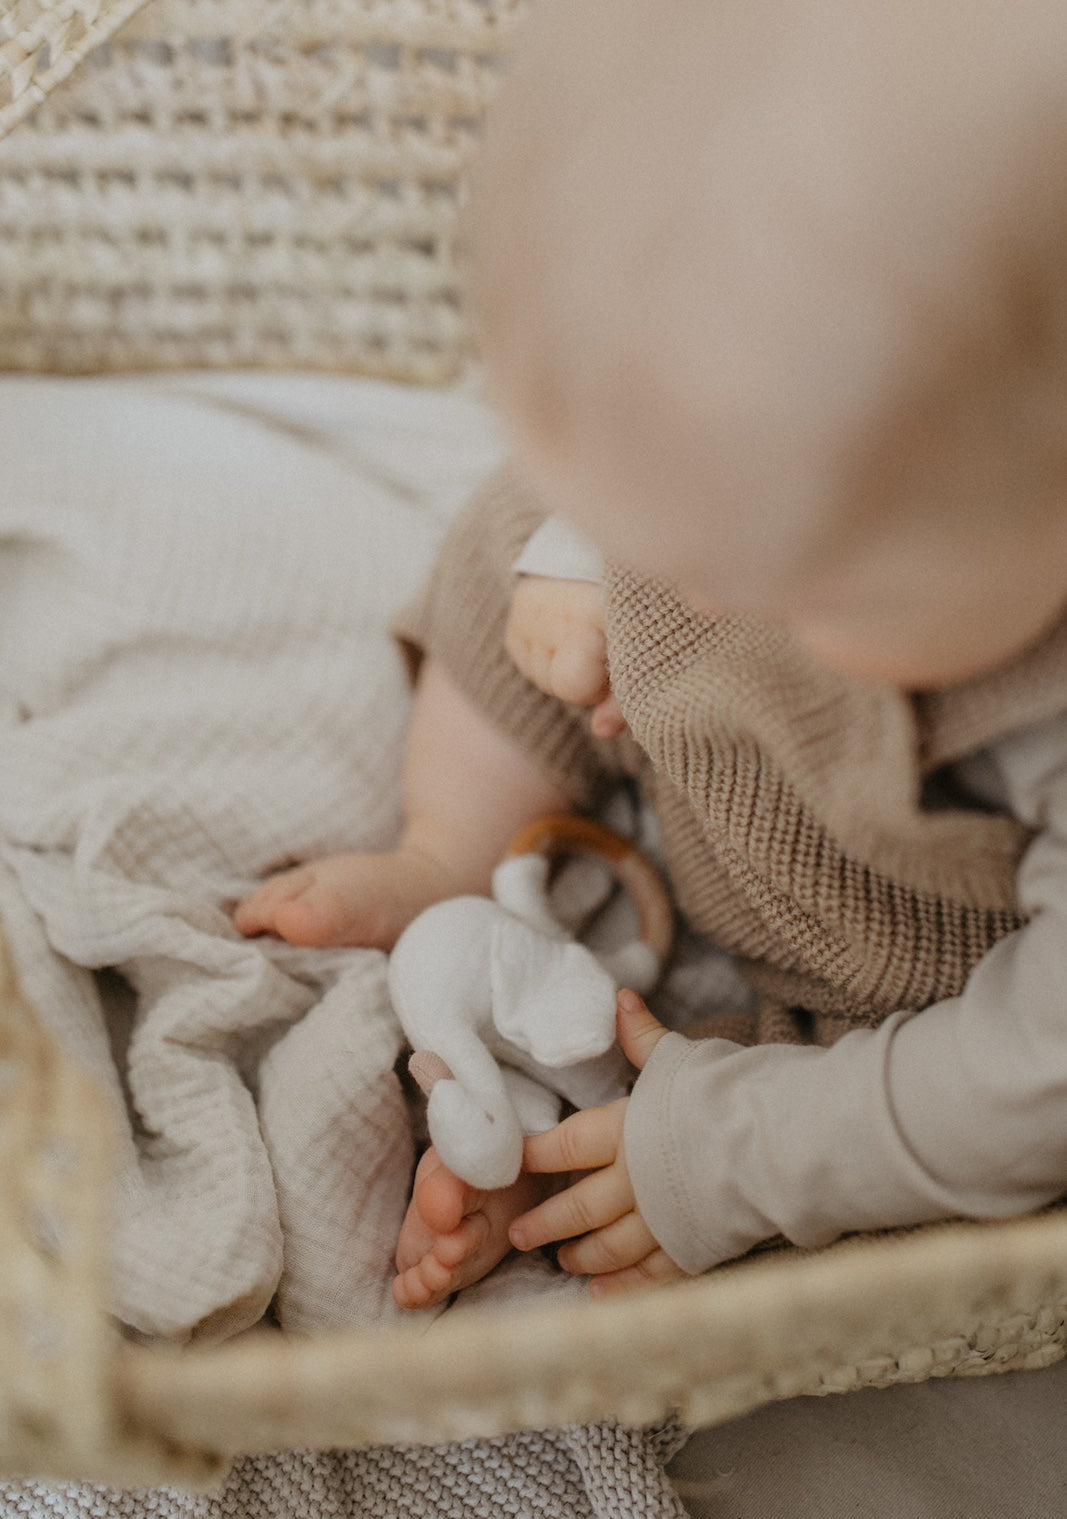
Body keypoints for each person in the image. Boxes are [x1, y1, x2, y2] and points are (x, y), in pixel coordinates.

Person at [236, 0, 1067, 1310]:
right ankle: (455, 846)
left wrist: (732, 1153)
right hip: (715, 764)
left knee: (898, 1145)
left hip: (893, 993)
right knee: (519, 535)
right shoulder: (815, 449)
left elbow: (1040, 1076)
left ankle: (612, 1142)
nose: (690, 595)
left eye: (779, 581)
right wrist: (582, 538)